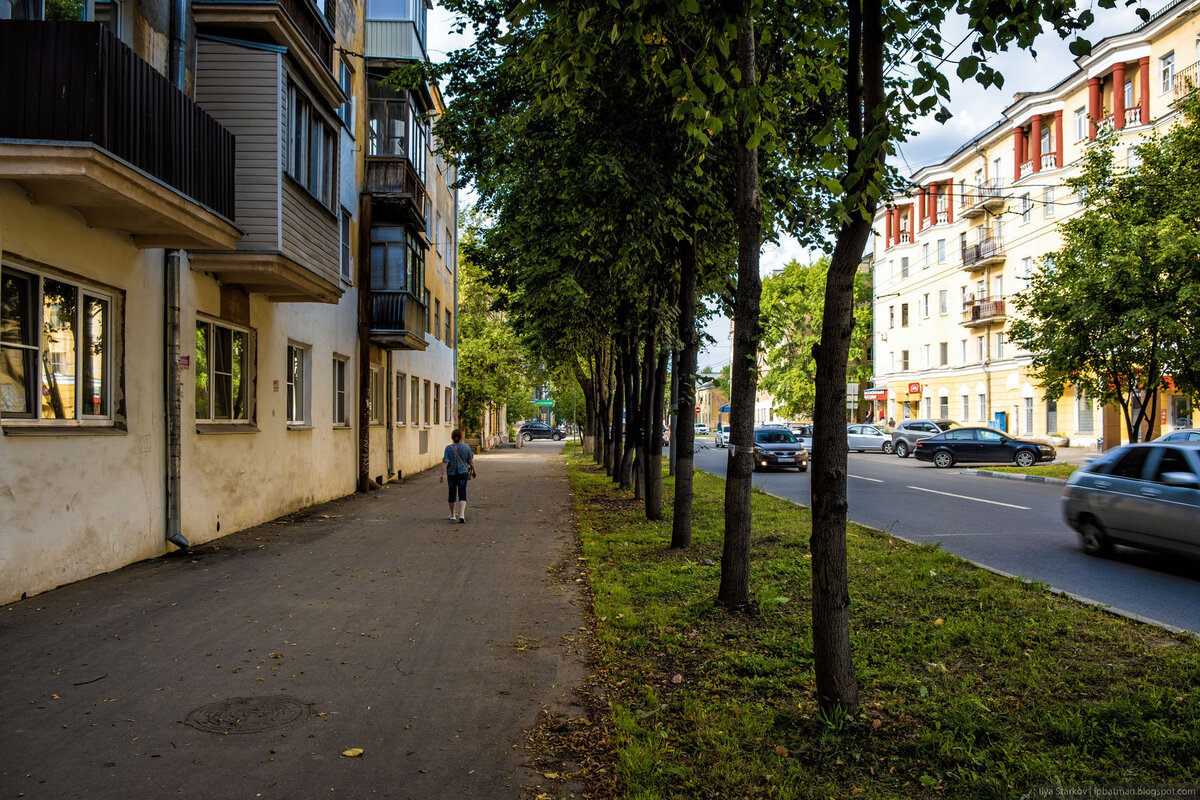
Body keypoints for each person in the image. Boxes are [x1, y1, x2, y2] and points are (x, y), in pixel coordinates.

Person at [439, 428, 475, 523]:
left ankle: (453, 515)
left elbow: (445, 462)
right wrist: (474, 471)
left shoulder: (448, 448)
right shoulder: (466, 447)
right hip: (463, 473)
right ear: (461, 437)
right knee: (462, 492)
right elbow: (470, 461)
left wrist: (441, 474)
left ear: (452, 437)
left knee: (452, 493)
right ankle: (462, 514)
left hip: (451, 474)